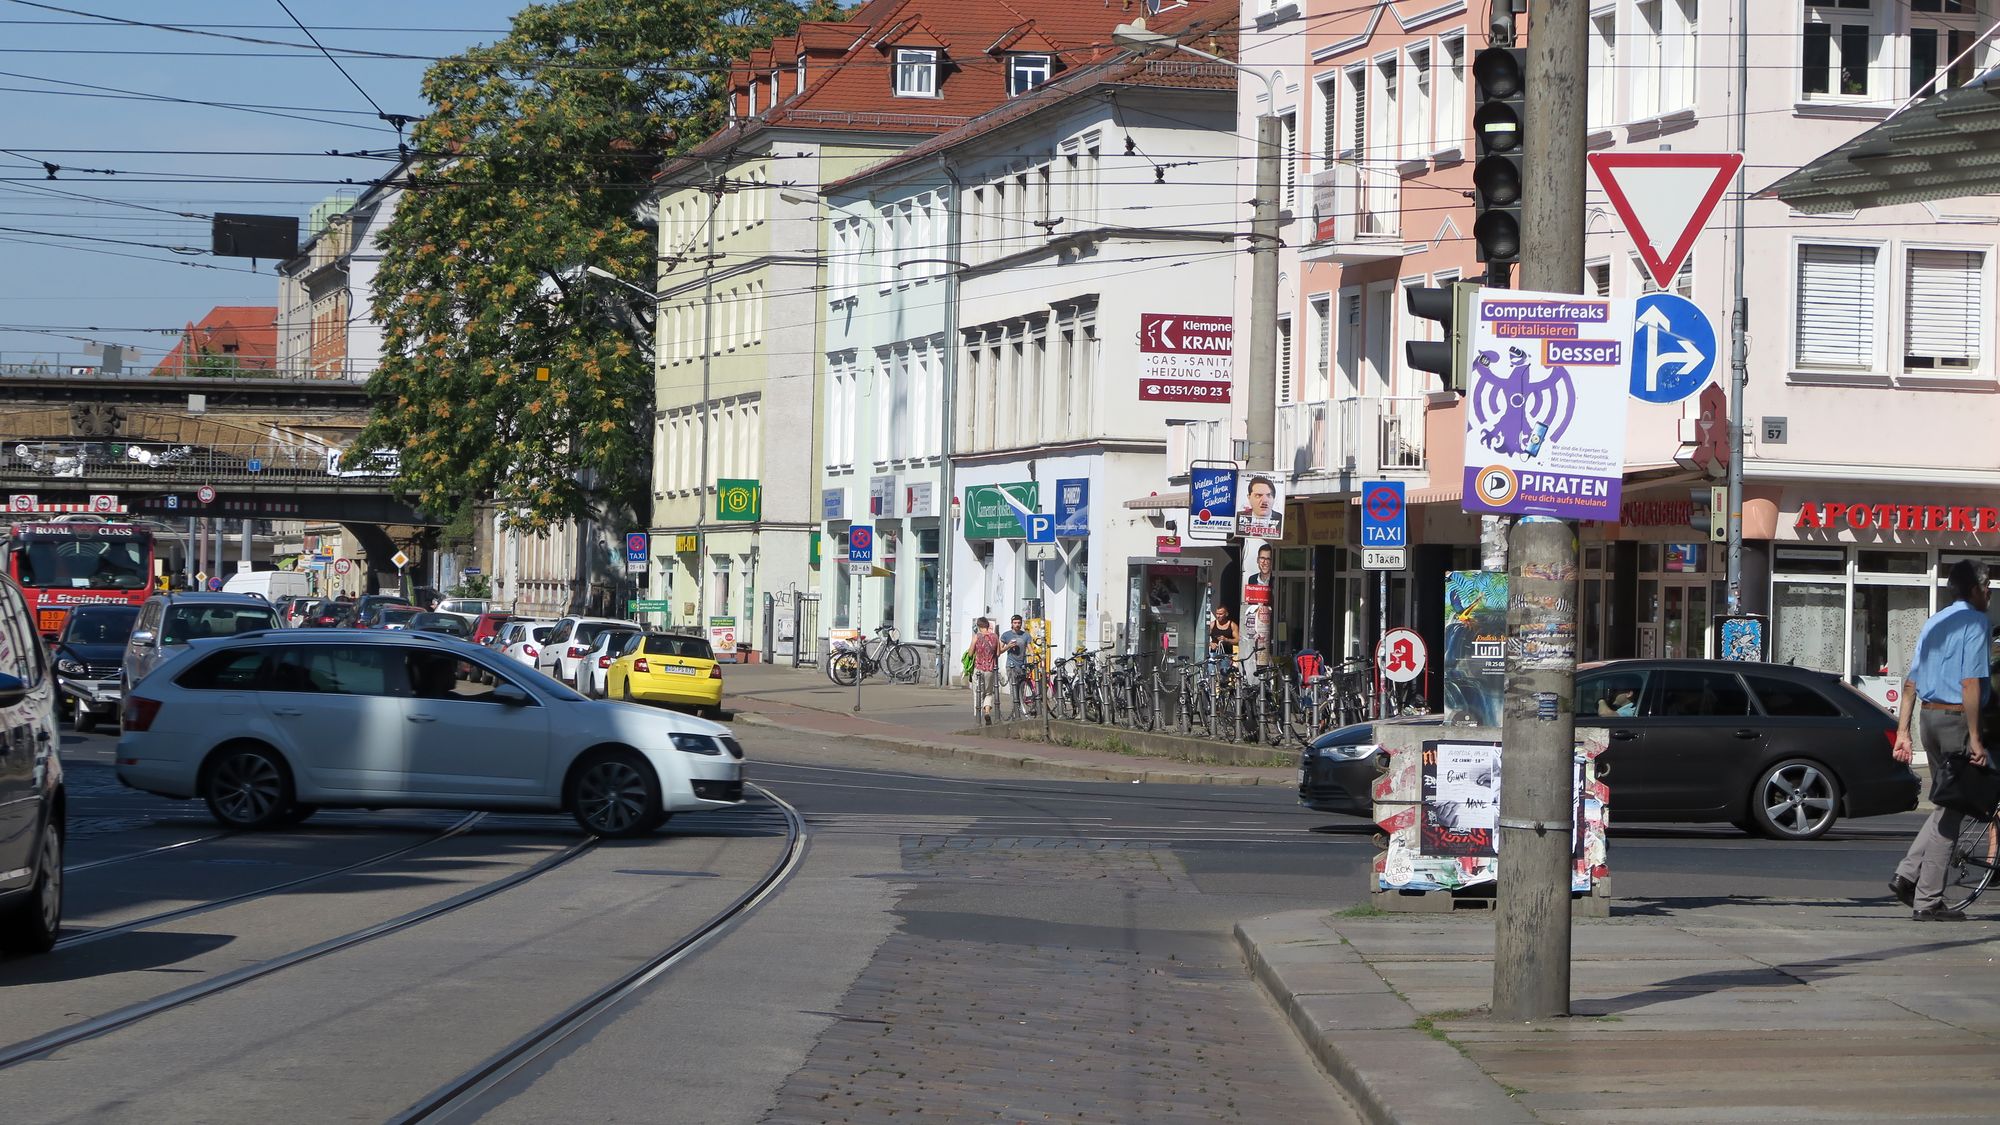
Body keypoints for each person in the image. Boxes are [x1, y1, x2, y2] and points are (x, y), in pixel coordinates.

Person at [1890, 559, 1991, 921]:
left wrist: (1903, 732)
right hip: (1954, 719)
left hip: (1928, 717)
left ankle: (1907, 874)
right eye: (1988, 587)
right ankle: (1928, 899)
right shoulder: (1976, 623)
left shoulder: (1935, 621)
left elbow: (1911, 681)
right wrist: (1976, 738)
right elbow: (1970, 683)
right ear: (1978, 589)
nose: (1990, 594)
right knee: (1954, 808)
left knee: (1946, 801)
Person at [969, 617, 1002, 725]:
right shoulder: (995, 637)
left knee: (977, 692)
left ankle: (978, 715)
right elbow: (997, 653)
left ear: (979, 626)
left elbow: (970, 653)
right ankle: (987, 711)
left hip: (978, 668)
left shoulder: (977, 637)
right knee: (988, 693)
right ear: (988, 625)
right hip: (990, 669)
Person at [999, 614, 1031, 715]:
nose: (1017, 625)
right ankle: (1015, 711)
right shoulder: (1006, 635)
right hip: (1011, 665)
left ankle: (1020, 708)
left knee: (1021, 688)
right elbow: (999, 651)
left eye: (1019, 623)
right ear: (1012, 624)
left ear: (1021, 623)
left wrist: (1034, 657)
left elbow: (1030, 649)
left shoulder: (1026, 635)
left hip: (1022, 665)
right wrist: (1008, 646)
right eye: (1015, 623)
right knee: (1013, 688)